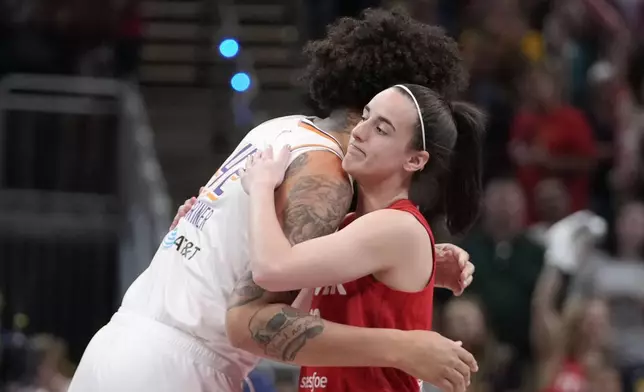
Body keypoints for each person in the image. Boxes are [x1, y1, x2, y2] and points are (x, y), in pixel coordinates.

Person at [69, 9, 476, 392]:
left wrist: (414, 264)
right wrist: (402, 346)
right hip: (176, 366)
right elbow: (254, 310)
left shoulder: (277, 131)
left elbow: (268, 249)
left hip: (121, 343)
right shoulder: (327, 173)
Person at [237, 83, 485, 392]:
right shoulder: (350, 226)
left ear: (414, 161)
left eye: (381, 129)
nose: (358, 131)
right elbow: (290, 317)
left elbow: (270, 270)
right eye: (365, 116)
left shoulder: (398, 227)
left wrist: (260, 187)